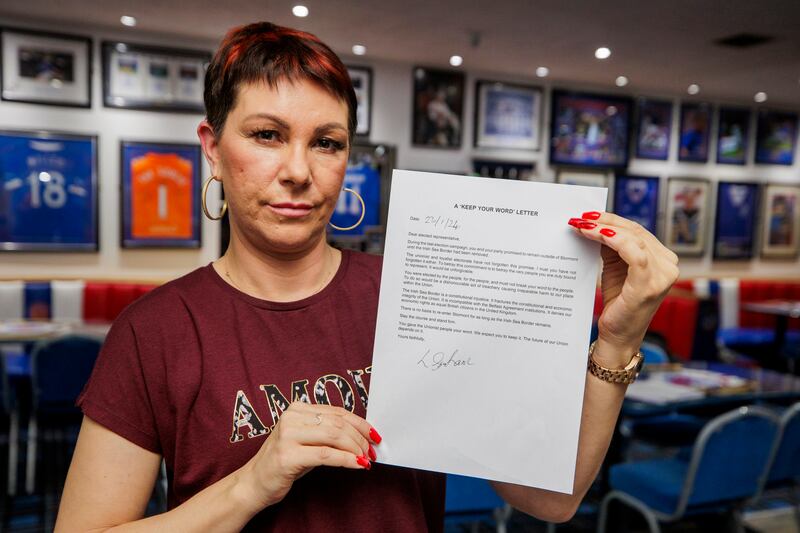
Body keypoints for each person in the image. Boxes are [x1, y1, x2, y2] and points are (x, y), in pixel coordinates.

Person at [55, 21, 679, 532]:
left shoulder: (415, 292)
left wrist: (618, 341)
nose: (298, 170)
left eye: (326, 142)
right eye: (267, 135)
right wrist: (251, 484)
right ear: (213, 148)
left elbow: (551, 499)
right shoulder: (156, 331)